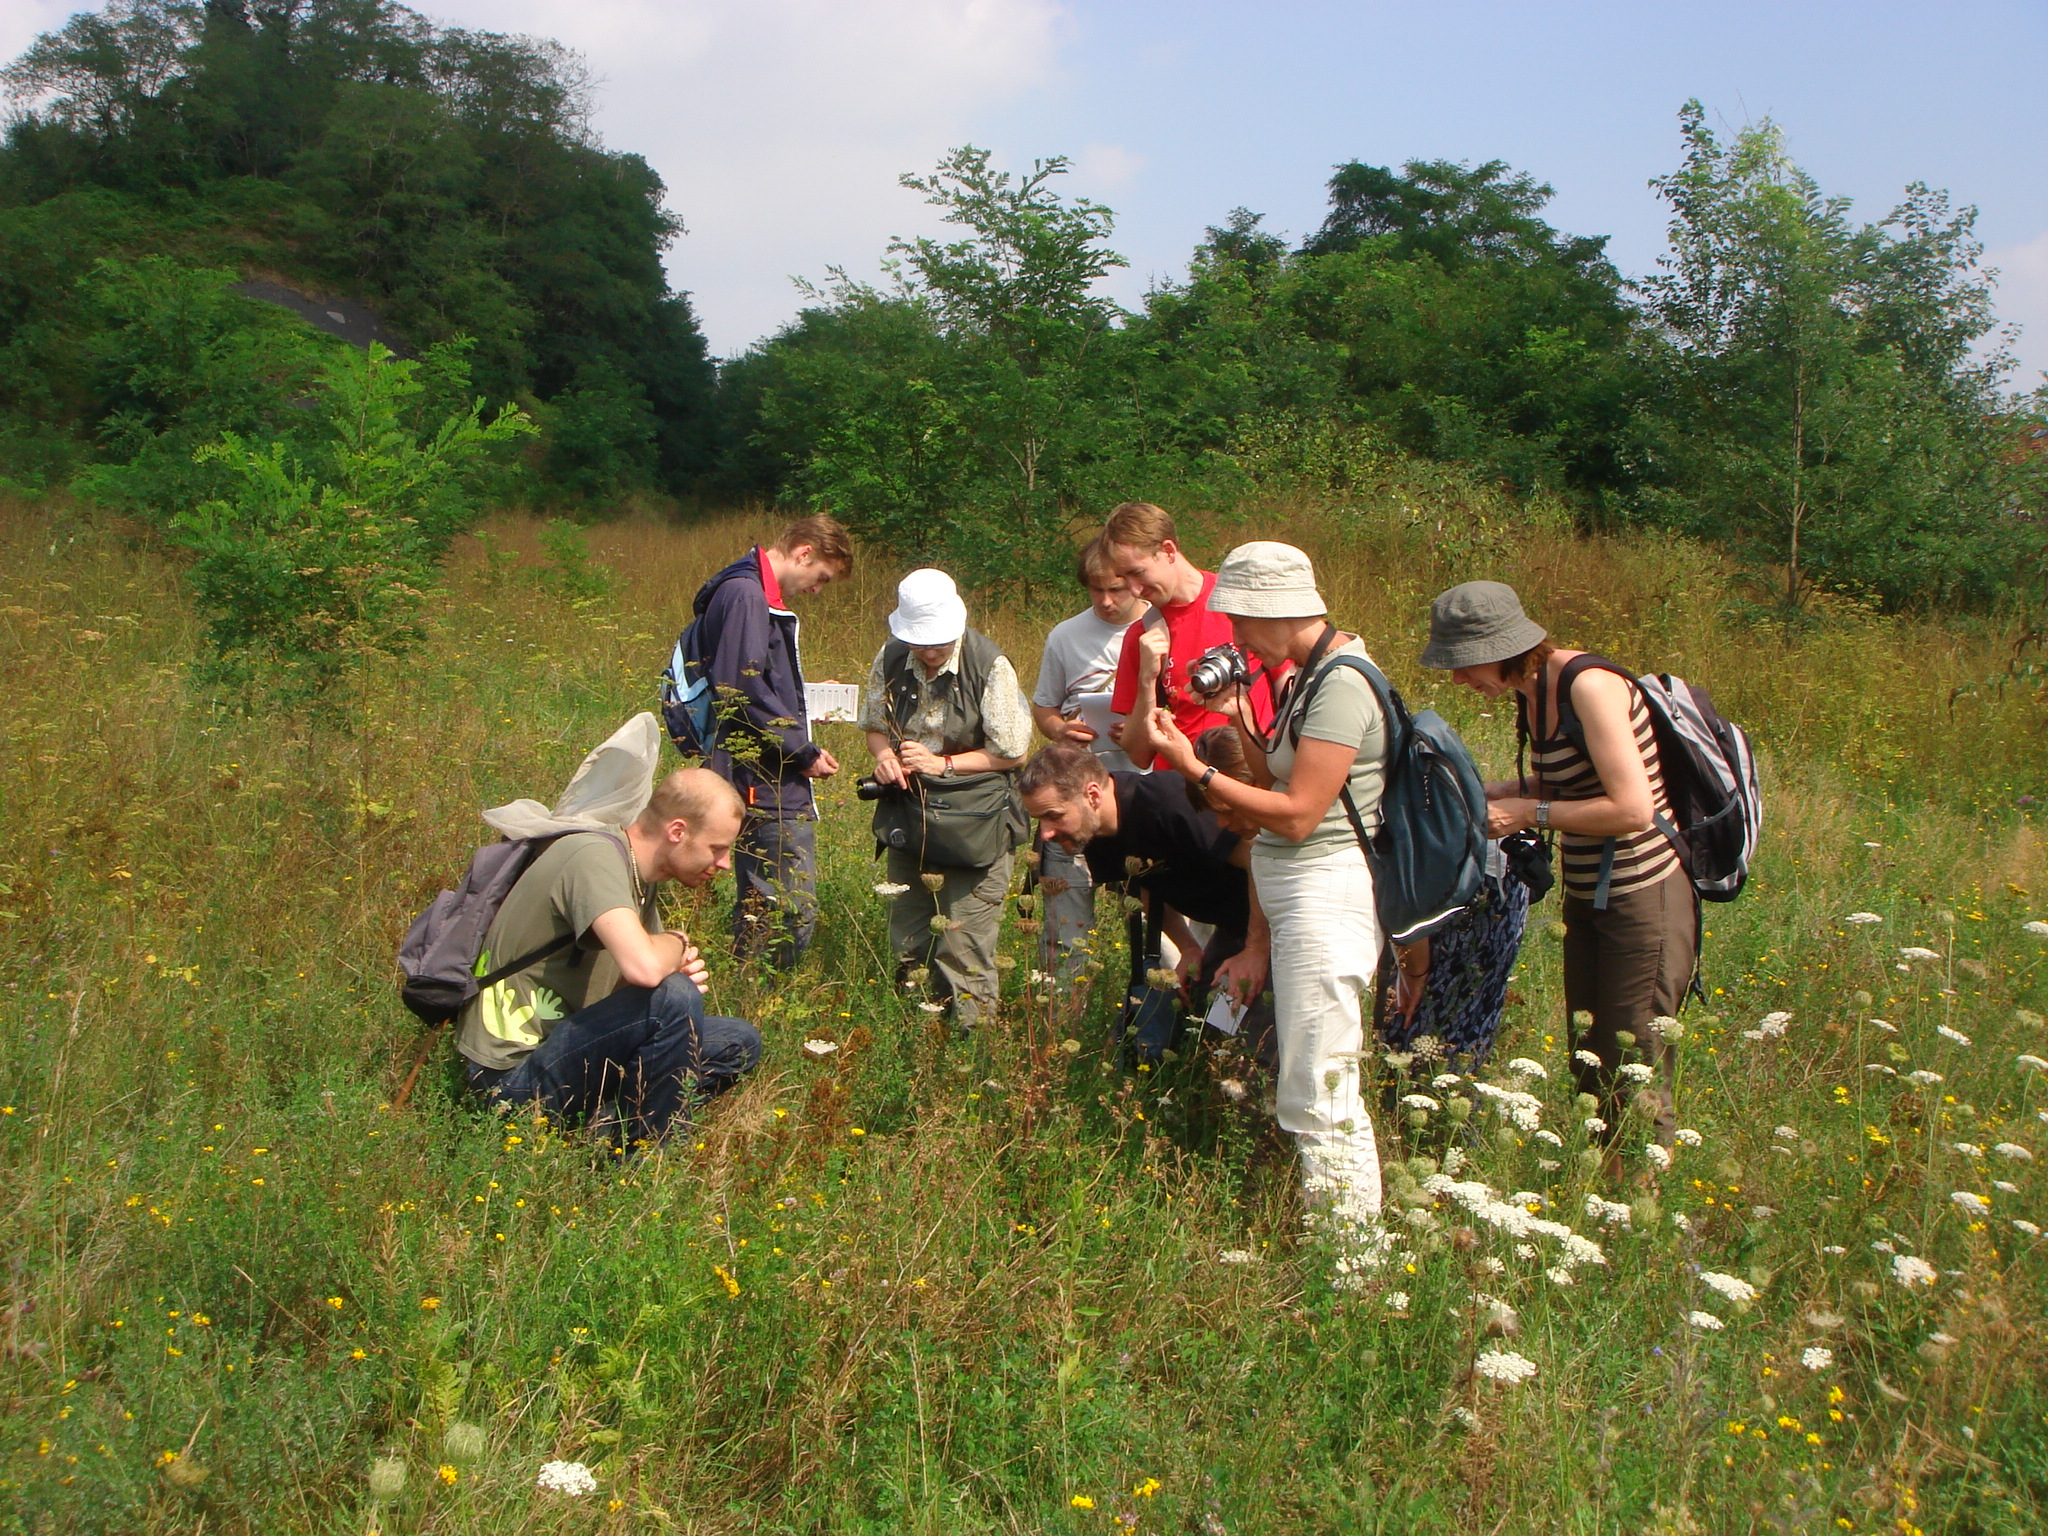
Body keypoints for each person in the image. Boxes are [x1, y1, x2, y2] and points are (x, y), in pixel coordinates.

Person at [1145, 541, 1391, 1268]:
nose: (1236, 638)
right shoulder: (1304, 680)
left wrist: (1195, 769)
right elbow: (1276, 779)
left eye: (1241, 623)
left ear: (1277, 612)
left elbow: (1297, 815)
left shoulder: (1344, 683)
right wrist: (1235, 721)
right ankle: (1344, 1249)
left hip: (1326, 897)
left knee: (1319, 1085)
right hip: (1295, 900)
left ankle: (1351, 1264)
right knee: (1307, 1078)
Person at [1421, 579, 1695, 1153]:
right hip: (1591, 890)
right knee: (1590, 1053)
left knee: (1633, 1059)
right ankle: (1607, 1188)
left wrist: (1528, 812)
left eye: (1465, 664)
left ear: (1501, 650)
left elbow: (1632, 807)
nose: (1458, 679)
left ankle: (1645, 1198)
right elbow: (1568, 780)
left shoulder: (1588, 686)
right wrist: (1479, 792)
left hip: (1645, 892)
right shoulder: (1532, 691)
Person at [457, 765, 762, 1147]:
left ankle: (605, 1128)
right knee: (673, 998)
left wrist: (670, 973)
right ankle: (642, 1159)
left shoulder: (639, 877)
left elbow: (630, 988)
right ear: (678, 831)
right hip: (509, 1079)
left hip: (563, 1050)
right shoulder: (593, 856)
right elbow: (647, 968)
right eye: (717, 848)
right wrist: (676, 946)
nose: (724, 864)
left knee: (738, 1039)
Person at [1018, 742, 1269, 1064]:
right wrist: (1189, 947)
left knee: (1259, 1050)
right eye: (1041, 819)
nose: (1047, 832)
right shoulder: (1095, 832)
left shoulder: (1169, 805)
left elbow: (1260, 861)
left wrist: (1255, 949)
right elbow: (1147, 887)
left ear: (1092, 795)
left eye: (1054, 816)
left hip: (1277, 925)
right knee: (1214, 1034)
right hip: (1234, 930)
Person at [860, 569, 1031, 1031]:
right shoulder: (892, 657)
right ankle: (912, 1036)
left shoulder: (989, 664)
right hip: (911, 817)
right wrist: (884, 759)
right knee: (909, 940)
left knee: (964, 945)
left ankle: (972, 1047)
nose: (929, 653)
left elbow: (1012, 754)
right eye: (919, 643)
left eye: (937, 644)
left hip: (976, 825)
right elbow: (876, 725)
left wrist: (944, 764)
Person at [686, 514, 854, 969]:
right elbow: (738, 690)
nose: (817, 590)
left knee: (767, 900)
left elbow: (752, 679)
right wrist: (803, 750)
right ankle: (761, 992)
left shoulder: (751, 591)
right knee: (786, 905)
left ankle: (751, 989)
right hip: (764, 776)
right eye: (820, 577)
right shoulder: (746, 595)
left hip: (760, 767)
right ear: (804, 553)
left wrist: (805, 699)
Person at [1030, 537, 1147, 978]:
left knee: (1156, 914)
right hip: (1076, 791)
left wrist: (1140, 727)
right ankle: (1062, 1008)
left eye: (1117, 589)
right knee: (1067, 917)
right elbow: (1044, 707)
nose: (1106, 600)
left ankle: (1163, 1005)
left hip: (1141, 789)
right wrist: (1062, 730)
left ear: (1136, 581)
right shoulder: (1066, 635)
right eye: (1096, 590)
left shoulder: (1158, 630)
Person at [1101, 501, 1276, 772]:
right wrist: (1147, 679)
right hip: (1182, 790)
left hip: (1251, 778)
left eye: (1138, 572)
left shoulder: (1239, 602)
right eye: (1124, 578)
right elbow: (1138, 754)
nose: (1134, 590)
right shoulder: (1142, 635)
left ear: (1168, 551)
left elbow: (1289, 687)